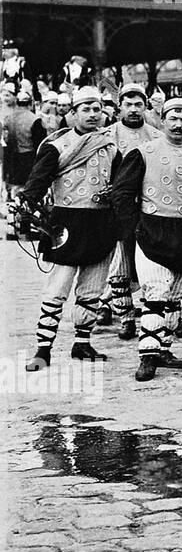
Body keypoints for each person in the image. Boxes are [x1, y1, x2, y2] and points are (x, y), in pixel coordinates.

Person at [110, 97, 182, 381]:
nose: (178, 124)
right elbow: (122, 194)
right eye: (173, 117)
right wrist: (134, 227)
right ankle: (148, 354)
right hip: (153, 230)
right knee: (156, 293)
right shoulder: (143, 152)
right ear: (161, 120)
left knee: (176, 297)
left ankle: (164, 348)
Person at [20, 88, 119, 371]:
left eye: (96, 109)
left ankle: (83, 342)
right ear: (72, 113)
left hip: (101, 223)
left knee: (92, 289)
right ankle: (43, 349)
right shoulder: (57, 146)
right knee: (57, 290)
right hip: (66, 224)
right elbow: (37, 183)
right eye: (85, 109)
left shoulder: (111, 147)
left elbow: (122, 184)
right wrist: (28, 207)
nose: (92, 115)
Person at [98, 83, 161, 339]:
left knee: (154, 265)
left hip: (149, 208)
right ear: (119, 107)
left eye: (139, 105)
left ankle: (159, 315)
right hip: (117, 209)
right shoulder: (107, 136)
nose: (134, 110)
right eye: (128, 105)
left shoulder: (157, 136)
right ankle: (125, 317)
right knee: (120, 265)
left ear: (146, 107)